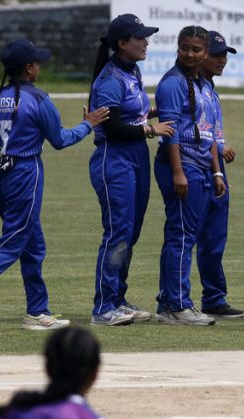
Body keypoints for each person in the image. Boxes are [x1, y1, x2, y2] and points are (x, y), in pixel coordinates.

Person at [0, 39, 109, 331]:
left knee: (32, 243)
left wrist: (5, 138)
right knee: (15, 237)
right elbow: (60, 140)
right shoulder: (39, 99)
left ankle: (37, 311)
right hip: (26, 172)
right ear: (29, 68)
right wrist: (88, 124)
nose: (40, 66)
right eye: (37, 62)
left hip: (1, 173)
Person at [88, 14, 174, 326]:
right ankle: (103, 307)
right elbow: (111, 127)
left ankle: (118, 298)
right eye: (140, 38)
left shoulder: (132, 70)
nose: (146, 42)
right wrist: (151, 129)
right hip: (115, 160)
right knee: (118, 232)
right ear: (122, 43)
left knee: (131, 232)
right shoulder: (110, 79)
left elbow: (130, 113)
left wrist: (152, 112)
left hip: (135, 157)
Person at [154, 25, 227, 326]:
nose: (189, 53)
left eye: (196, 49)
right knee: (181, 235)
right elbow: (169, 132)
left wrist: (217, 172)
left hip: (199, 165)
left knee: (182, 234)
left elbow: (207, 132)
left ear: (205, 52)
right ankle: (177, 305)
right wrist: (178, 172)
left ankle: (168, 302)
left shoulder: (202, 84)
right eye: (184, 48)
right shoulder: (173, 83)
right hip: (180, 163)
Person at [195, 30, 244, 319]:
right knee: (188, 236)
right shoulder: (190, 87)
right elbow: (197, 131)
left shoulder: (210, 88)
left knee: (215, 237)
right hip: (198, 164)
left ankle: (214, 298)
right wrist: (218, 150)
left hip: (215, 166)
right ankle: (172, 298)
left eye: (225, 54)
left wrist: (220, 149)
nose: (222, 60)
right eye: (216, 54)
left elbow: (210, 129)